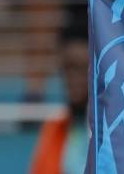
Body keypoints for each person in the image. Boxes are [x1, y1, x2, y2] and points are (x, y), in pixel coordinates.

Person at [29, 25, 90, 174]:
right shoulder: (53, 128)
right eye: (68, 68)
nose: (74, 78)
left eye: (82, 68)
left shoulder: (116, 131)